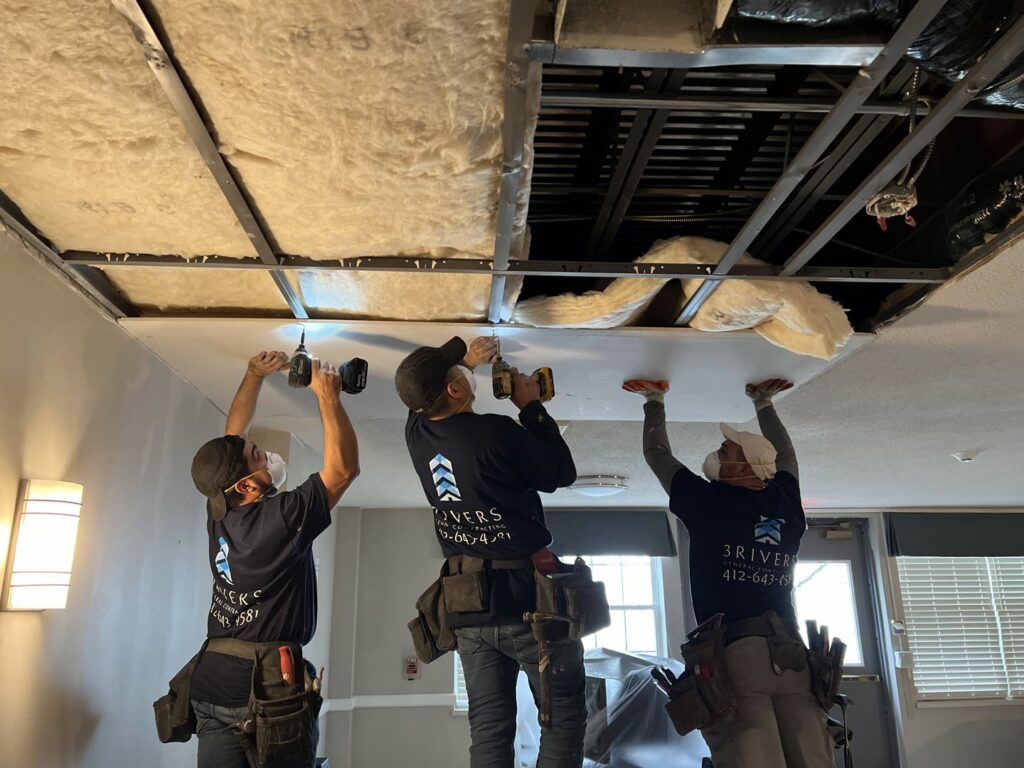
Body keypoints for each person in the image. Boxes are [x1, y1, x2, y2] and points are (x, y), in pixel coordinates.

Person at [395, 335, 587, 768]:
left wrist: (463, 359)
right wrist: (530, 406)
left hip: (467, 610)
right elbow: (562, 472)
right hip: (525, 601)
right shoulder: (494, 432)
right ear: (455, 389)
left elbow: (418, 396)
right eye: (456, 374)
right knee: (561, 718)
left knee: (489, 728)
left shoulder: (417, 434)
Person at [623, 377, 833, 768]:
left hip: (738, 658)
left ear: (744, 467)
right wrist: (764, 403)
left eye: (726, 449)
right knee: (813, 756)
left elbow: (657, 454)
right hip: (791, 656)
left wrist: (654, 400)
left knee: (752, 756)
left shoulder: (709, 503)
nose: (717, 451)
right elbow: (786, 456)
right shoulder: (786, 503)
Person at [185, 351, 360, 767]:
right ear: (245, 486)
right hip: (264, 692)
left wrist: (253, 375)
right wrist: (328, 398)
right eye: (257, 455)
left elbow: (234, 433)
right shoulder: (278, 519)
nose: (264, 454)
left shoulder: (219, 511)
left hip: (213, 685)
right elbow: (343, 470)